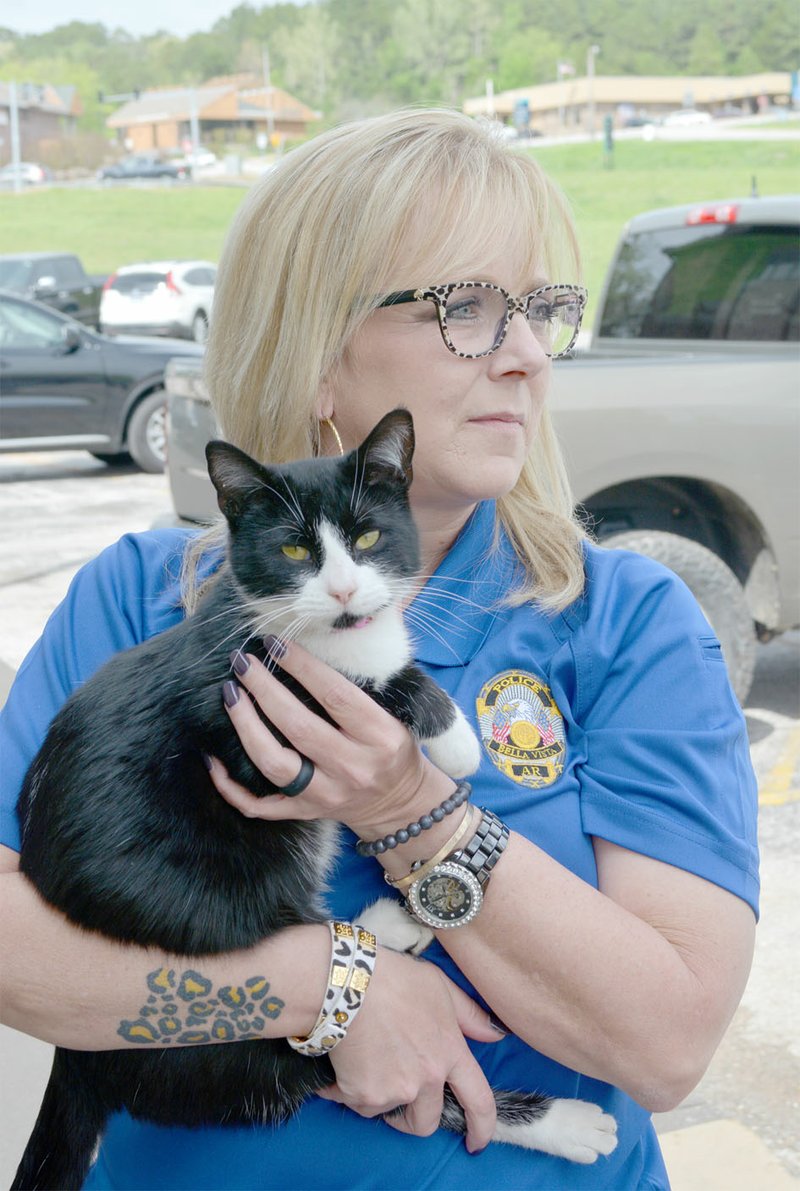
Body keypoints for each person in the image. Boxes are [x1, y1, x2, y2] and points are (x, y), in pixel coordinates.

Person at [0, 108, 758, 1190]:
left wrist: (407, 808)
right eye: (469, 311)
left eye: (540, 310)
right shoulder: (139, 599)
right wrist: (330, 982)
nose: (528, 357)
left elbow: (665, 1045)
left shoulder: (625, 620)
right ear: (318, 355)